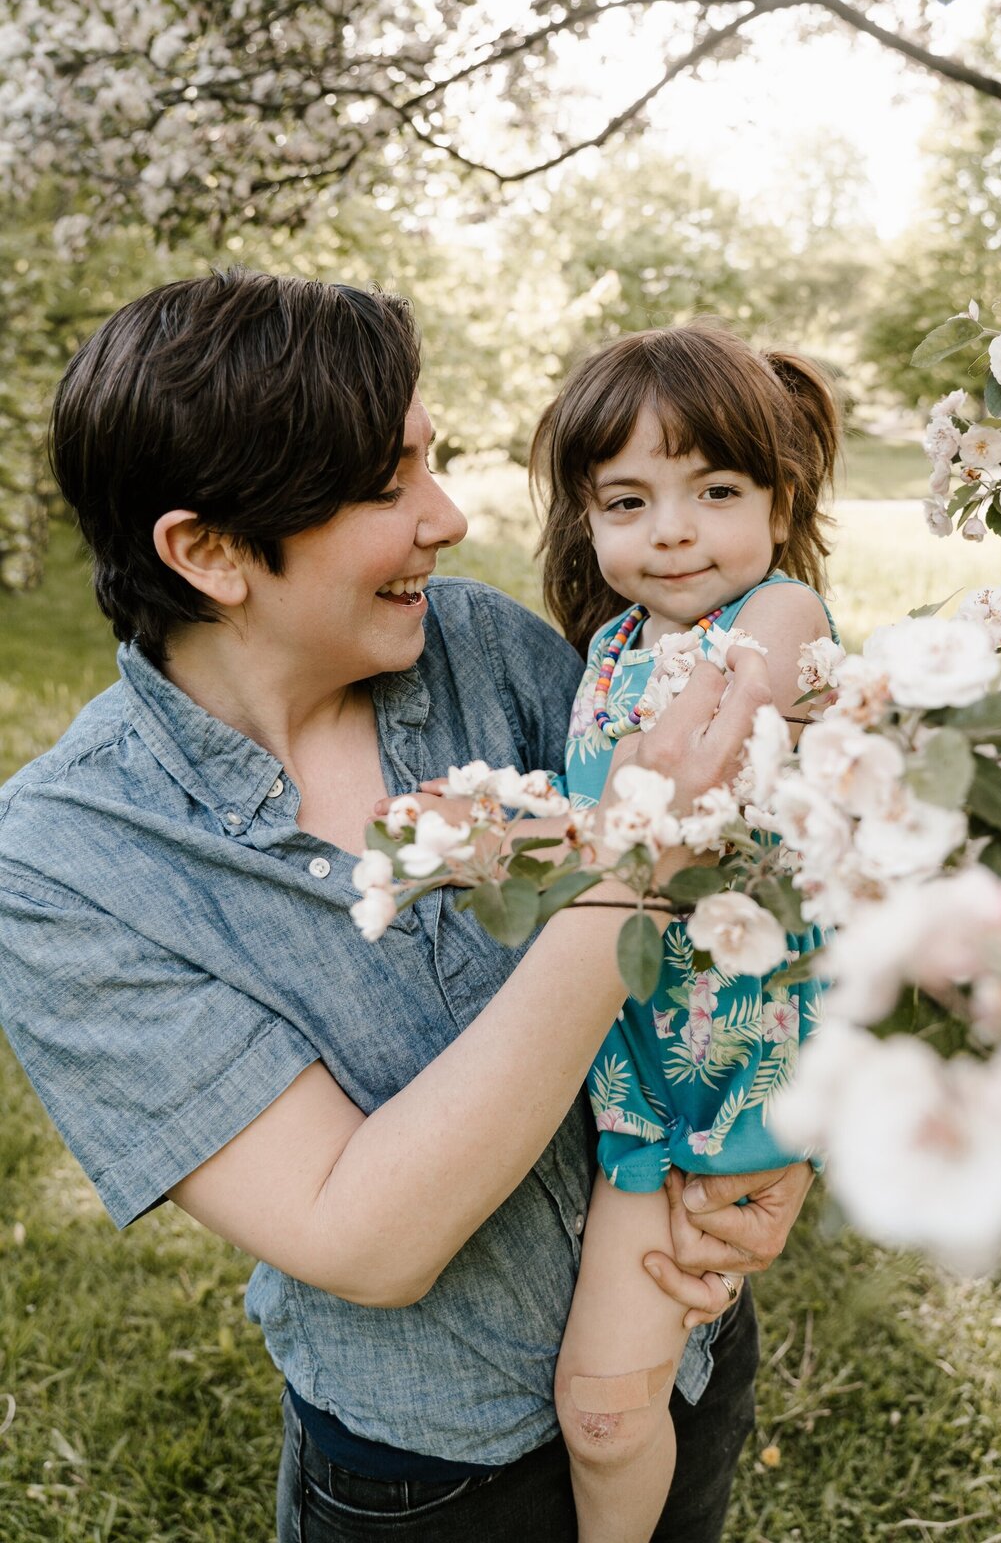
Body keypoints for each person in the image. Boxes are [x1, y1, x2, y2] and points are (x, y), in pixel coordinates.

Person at [0, 270, 816, 1543]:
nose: (445, 517)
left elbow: (750, 905)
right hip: (429, 1485)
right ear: (207, 551)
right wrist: (634, 867)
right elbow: (365, 1236)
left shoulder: (485, 648)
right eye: (388, 485)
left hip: (678, 1355)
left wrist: (777, 1143)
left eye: (432, 462)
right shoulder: (70, 864)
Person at [512, 325, 840, 1543]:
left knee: (612, 1402)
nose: (675, 531)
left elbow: (709, 766)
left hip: (740, 1065)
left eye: (716, 491)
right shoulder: (603, 653)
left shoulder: (781, 616)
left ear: (778, 495)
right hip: (623, 1075)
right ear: (586, 518)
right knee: (604, 1413)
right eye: (628, 500)